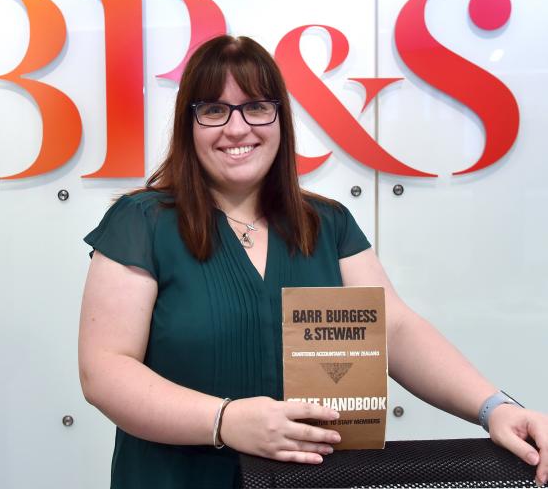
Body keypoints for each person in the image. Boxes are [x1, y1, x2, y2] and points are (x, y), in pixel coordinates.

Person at [78, 35, 548, 488]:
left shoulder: (327, 224)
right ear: (189, 123)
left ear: (280, 119)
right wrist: (225, 420)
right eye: (214, 110)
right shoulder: (142, 222)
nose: (237, 128)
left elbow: (396, 330)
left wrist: (495, 408)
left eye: (257, 107)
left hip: (309, 480)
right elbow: (105, 370)